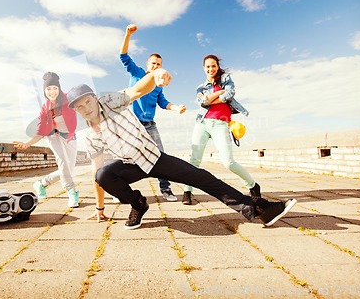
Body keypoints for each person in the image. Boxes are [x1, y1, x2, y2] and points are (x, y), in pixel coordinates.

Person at [66, 68, 297, 230]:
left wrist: (156, 74)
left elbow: (137, 89)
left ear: (94, 99)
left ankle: (259, 210)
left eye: (87, 102)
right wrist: (99, 207)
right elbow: (97, 173)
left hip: (153, 157)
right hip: (130, 166)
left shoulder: (110, 101)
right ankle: (138, 204)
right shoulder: (87, 134)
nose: (85, 108)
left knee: (202, 177)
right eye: (79, 107)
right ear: (76, 110)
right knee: (103, 174)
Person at [182, 55, 261, 205]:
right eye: (208, 67)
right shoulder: (200, 87)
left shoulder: (226, 79)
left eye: (213, 66)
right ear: (203, 68)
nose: (211, 69)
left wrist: (211, 98)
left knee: (228, 162)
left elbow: (229, 94)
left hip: (220, 124)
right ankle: (187, 192)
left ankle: (253, 186)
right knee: (194, 160)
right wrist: (219, 93)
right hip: (202, 123)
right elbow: (201, 101)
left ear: (217, 66)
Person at [119, 24, 186, 202]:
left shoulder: (158, 86)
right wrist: (127, 35)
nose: (156, 66)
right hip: (132, 124)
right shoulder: (137, 73)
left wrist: (176, 107)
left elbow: (163, 103)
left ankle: (166, 189)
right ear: (148, 65)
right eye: (153, 63)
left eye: (159, 64)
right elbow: (123, 56)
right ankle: (119, 189)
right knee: (126, 157)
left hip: (150, 126)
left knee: (160, 157)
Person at [13, 72, 80, 208]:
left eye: (55, 88)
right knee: (62, 162)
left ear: (59, 88)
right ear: (44, 91)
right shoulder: (45, 108)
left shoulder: (69, 98)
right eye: (48, 89)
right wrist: (27, 144)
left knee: (68, 169)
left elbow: (83, 103)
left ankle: (41, 184)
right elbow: (41, 131)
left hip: (69, 136)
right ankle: (72, 191)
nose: (52, 91)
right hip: (53, 135)